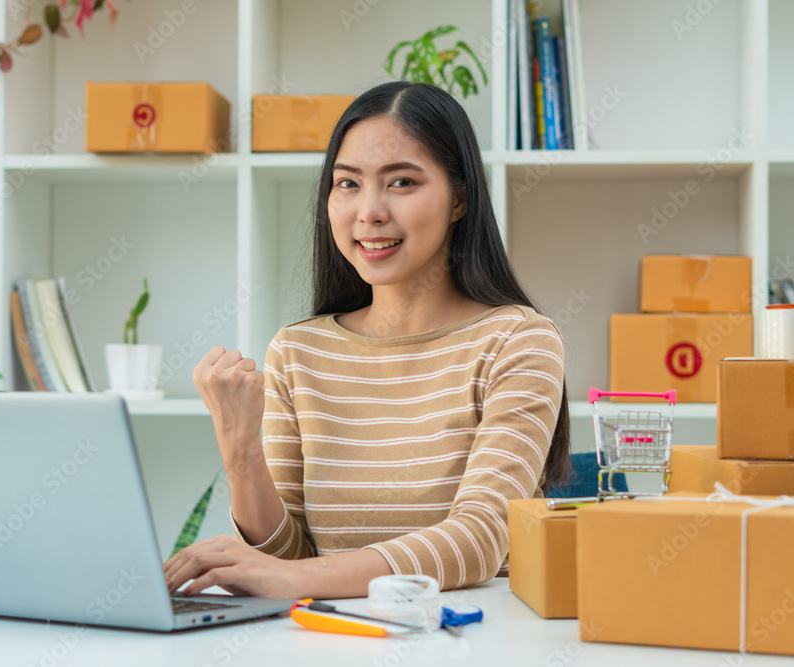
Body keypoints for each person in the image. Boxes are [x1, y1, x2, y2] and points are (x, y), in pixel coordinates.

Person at [164, 80, 569, 600]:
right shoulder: (297, 351)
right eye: (347, 183)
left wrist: (293, 578)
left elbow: (481, 540)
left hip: (470, 639)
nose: (369, 211)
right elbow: (283, 562)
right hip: (325, 637)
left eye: (401, 182)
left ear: (459, 200)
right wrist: (240, 449)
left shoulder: (518, 340)